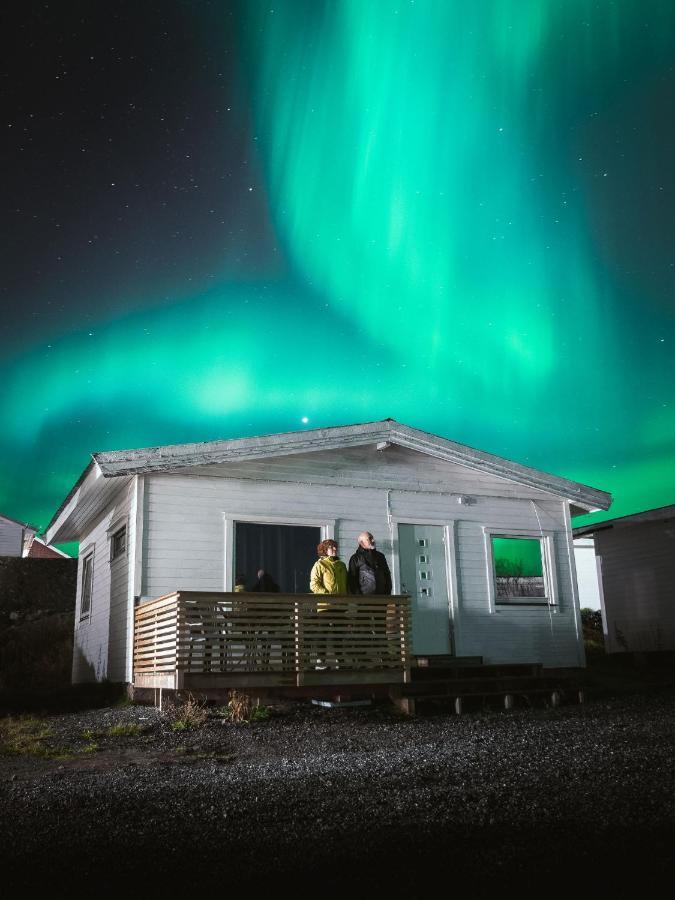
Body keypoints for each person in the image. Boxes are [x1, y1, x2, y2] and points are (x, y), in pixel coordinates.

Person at [309, 539, 349, 668]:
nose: (335, 549)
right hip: (325, 605)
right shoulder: (320, 564)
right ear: (325, 550)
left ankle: (339, 660)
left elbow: (346, 584)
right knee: (323, 633)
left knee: (339, 634)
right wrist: (327, 594)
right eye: (331, 547)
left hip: (341, 606)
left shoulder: (341, 565)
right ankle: (321, 661)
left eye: (335, 547)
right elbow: (314, 584)